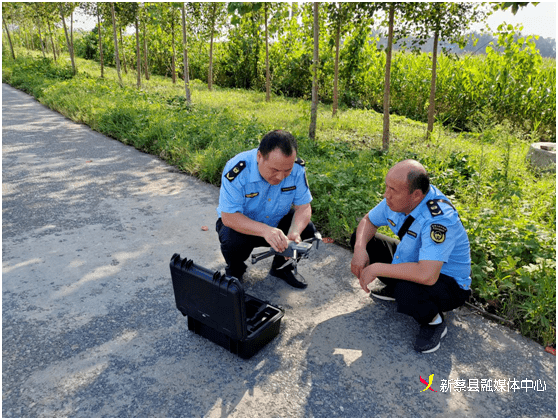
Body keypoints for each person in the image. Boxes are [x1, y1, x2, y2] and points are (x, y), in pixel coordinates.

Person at [350, 159, 472, 353]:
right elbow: (368, 221)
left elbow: (427, 275)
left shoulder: (439, 219)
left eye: (393, 190)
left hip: (448, 283)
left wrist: (377, 268)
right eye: (386, 187)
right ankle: (397, 289)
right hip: (416, 262)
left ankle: (433, 321)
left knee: (406, 290)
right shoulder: (396, 199)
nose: (386, 195)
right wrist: (359, 250)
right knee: (366, 242)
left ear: (416, 195)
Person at [216, 129, 317, 289]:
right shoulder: (238, 169)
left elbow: (303, 207)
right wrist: (265, 230)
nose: (280, 177)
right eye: (275, 170)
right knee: (231, 240)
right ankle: (235, 271)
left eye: (287, 170)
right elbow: (228, 216)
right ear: (259, 157)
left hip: (276, 221)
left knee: (308, 230)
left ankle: (281, 268)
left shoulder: (297, 168)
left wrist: (294, 232)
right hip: (244, 226)